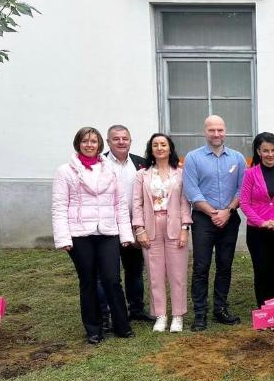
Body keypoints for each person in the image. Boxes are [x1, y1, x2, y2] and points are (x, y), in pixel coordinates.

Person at [51, 126, 134, 344]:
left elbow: (120, 206)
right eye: (85, 141)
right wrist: (63, 238)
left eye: (94, 141)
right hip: (80, 234)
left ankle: (121, 325)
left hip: (108, 232)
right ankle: (94, 329)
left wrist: (125, 235)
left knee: (112, 279)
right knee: (87, 281)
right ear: (78, 144)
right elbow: (59, 206)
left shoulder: (110, 170)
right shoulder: (65, 171)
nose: (90, 145)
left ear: (100, 145)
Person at [183, 115, 246, 331]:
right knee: (201, 266)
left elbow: (241, 189)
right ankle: (200, 313)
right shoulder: (193, 158)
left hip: (229, 217)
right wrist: (214, 214)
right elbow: (192, 191)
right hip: (203, 219)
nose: (216, 134)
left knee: (224, 265)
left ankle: (221, 309)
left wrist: (227, 211)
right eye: (212, 130)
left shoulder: (237, 158)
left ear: (225, 131)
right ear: (205, 132)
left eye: (220, 130)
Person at [131, 133, 192, 333]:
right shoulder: (142, 175)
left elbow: (185, 202)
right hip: (151, 226)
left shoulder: (181, 173)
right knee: (154, 274)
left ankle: (177, 315)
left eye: (163, 144)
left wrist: (185, 228)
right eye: (155, 145)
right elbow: (136, 203)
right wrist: (139, 229)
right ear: (151, 149)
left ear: (170, 148)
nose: (159, 148)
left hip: (175, 225)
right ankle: (160, 315)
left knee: (178, 273)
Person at [99, 125, 153, 328]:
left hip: (134, 225)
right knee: (108, 273)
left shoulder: (141, 163)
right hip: (109, 228)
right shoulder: (99, 163)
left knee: (134, 270)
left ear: (130, 140)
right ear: (108, 141)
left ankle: (136, 309)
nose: (121, 142)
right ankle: (106, 314)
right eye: (116, 139)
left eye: (125, 138)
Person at [240, 132, 274, 307]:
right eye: (265, 150)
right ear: (258, 151)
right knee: (262, 271)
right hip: (257, 232)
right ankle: (264, 309)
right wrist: (261, 222)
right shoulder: (250, 174)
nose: (270, 154)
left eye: (273, 150)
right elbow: (245, 203)